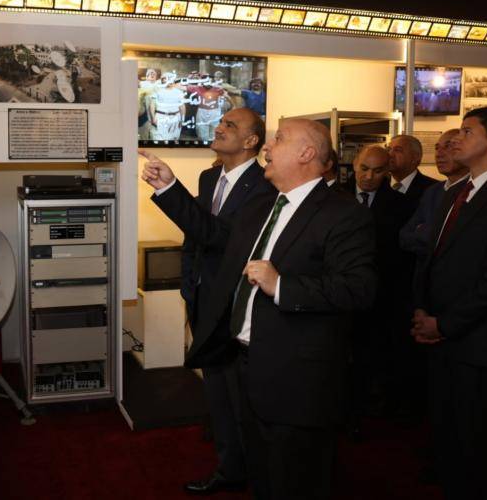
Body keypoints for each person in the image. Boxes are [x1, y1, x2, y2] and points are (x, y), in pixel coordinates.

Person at [142, 118, 376, 500]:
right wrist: (168, 187)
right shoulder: (262, 206)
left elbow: (359, 289)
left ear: (306, 153)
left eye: (278, 140)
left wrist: (281, 285)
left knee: (295, 477)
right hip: (244, 363)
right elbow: (213, 234)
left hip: (295, 376)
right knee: (262, 471)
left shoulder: (344, 213)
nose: (267, 147)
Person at [411, 107, 487, 500]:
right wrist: (422, 309)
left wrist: (444, 324)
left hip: (484, 346)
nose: (455, 139)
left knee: (476, 450)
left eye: (466, 131)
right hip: (444, 340)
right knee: (447, 440)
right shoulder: (457, 192)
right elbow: (431, 258)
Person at [160, 108, 274, 495]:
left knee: (241, 400)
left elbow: (221, 237)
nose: (219, 127)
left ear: (251, 141)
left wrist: (169, 189)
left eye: (230, 125)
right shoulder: (209, 177)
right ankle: (230, 469)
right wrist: (188, 285)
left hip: (236, 308)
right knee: (218, 397)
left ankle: (254, 473)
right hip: (203, 301)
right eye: (221, 121)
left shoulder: (264, 187)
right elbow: (194, 237)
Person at [348, 145, 409, 428]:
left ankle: (369, 409)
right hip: (338, 295)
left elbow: (401, 256)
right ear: (354, 165)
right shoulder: (333, 197)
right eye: (364, 169)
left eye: (377, 171)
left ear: (387, 171)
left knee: (373, 358)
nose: (369, 176)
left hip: (381, 297)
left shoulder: (400, 205)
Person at [399, 129, 469, 259]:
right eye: (437, 148)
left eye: (448, 146)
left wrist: (422, 230)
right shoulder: (432, 191)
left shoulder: (473, 191)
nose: (439, 154)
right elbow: (404, 237)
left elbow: (457, 243)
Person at [387, 134, 438, 202]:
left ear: (415, 157)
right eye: (388, 149)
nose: (390, 154)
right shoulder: (378, 184)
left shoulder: (434, 189)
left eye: (398, 150)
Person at [147, 75, 185, 141]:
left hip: (176, 118)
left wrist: (182, 119)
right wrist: (153, 118)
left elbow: (182, 107)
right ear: (162, 81)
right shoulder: (157, 91)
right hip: (161, 117)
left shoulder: (179, 92)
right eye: (165, 79)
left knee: (174, 138)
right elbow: (152, 105)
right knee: (160, 139)